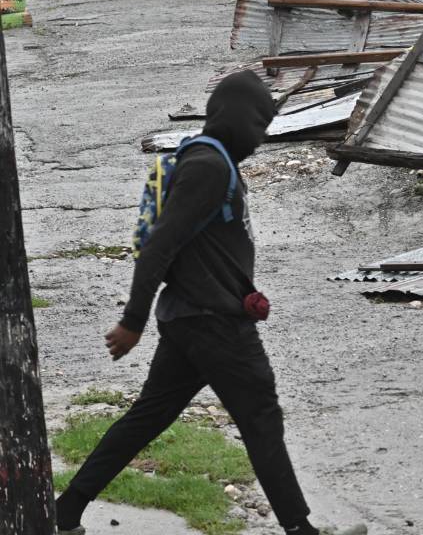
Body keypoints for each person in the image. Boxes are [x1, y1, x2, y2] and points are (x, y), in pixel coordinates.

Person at [55, 71, 365, 535]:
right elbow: (161, 245)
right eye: (258, 126)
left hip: (192, 320)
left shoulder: (212, 160)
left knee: (148, 417)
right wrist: (133, 320)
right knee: (261, 418)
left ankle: (64, 512)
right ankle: (301, 531)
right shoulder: (208, 166)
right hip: (215, 324)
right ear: (237, 118)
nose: (260, 139)